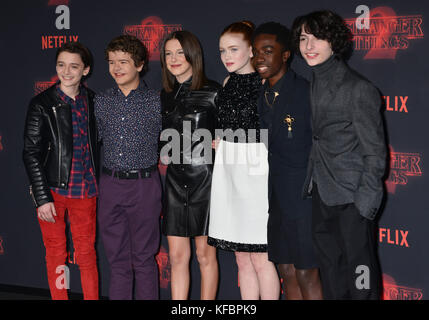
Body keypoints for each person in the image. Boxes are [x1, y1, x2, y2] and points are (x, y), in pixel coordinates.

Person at [292, 10, 387, 299]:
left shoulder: (358, 89)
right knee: (331, 276)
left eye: (317, 38)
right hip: (321, 194)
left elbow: (375, 153)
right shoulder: (314, 81)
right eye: (303, 38)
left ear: (333, 41)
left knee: (360, 281)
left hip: (352, 200)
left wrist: (364, 207)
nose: (308, 46)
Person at [207, 21, 280, 300]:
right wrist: (221, 140)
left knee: (262, 258)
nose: (226, 56)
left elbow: (272, 131)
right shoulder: (227, 82)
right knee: (241, 259)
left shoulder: (265, 83)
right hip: (229, 172)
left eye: (233, 49)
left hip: (257, 174)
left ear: (251, 50)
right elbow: (227, 124)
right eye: (222, 50)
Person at [23, 42, 99, 300]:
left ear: (85, 70)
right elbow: (31, 153)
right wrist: (42, 198)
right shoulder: (41, 103)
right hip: (53, 192)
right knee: (56, 253)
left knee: (87, 254)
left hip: (86, 190)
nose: (66, 71)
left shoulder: (93, 101)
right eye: (61, 65)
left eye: (74, 66)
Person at [253, 22, 323, 300]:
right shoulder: (261, 94)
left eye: (268, 51)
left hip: (305, 199)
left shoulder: (305, 92)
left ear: (285, 55)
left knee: (307, 272)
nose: (260, 58)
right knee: (286, 269)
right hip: (276, 198)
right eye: (256, 51)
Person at [95, 35, 162, 300]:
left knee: (145, 260)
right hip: (110, 185)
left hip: (144, 185)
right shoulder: (100, 101)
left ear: (140, 65)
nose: (116, 68)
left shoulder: (156, 101)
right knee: (118, 262)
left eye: (123, 61)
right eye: (112, 62)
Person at [159, 30, 220, 300]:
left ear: (193, 55)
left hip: (205, 182)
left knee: (205, 256)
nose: (174, 59)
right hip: (174, 182)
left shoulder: (214, 91)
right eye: (168, 53)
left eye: (180, 52)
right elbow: (162, 139)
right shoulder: (164, 95)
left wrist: (224, 141)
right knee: (176, 256)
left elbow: (235, 135)